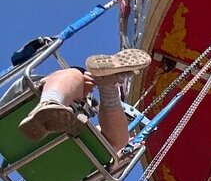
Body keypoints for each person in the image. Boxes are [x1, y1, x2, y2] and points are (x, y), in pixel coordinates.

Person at [10, 48, 151, 151]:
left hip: (47, 147)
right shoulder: (53, 79)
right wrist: (80, 79)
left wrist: (123, 152)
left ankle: (108, 85)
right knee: (74, 74)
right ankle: (49, 103)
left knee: (118, 140)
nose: (88, 91)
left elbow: (115, 140)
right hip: (25, 105)